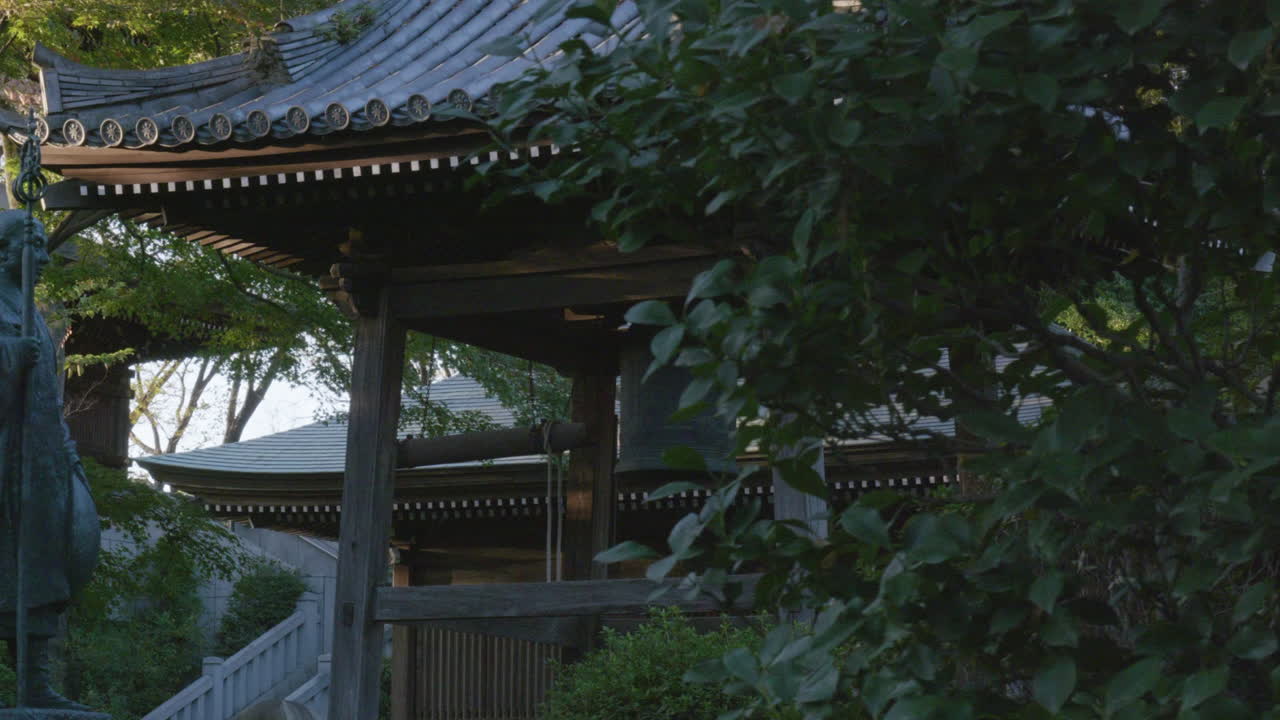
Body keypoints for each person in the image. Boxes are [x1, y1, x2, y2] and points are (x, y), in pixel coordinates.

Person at [0, 209, 100, 711]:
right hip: (2, 455)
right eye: (31, 246)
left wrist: (66, 449)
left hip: (39, 459)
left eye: (43, 247)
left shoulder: (34, 313)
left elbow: (48, 392)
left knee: (42, 564)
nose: (42, 258)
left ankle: (34, 682)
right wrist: (10, 353)